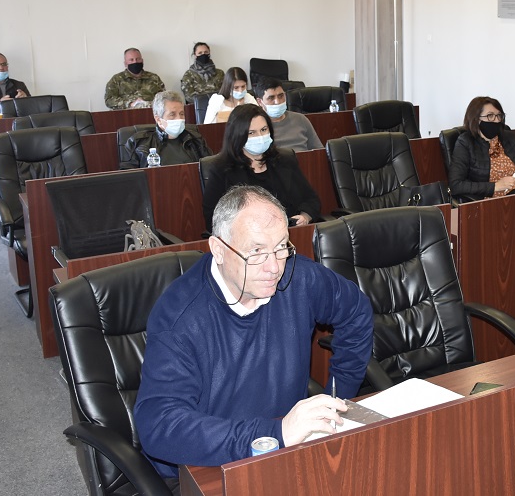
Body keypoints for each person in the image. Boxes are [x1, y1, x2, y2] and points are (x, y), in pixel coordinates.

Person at [134, 185, 373, 482]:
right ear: (219, 250)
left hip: (285, 449)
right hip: (204, 466)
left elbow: (356, 312)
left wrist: (337, 397)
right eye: (257, 252)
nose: (274, 267)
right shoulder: (180, 317)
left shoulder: (298, 277)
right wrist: (274, 434)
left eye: (281, 246)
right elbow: (159, 424)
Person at [202, 104, 320, 228]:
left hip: (290, 232)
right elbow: (213, 219)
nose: (260, 137)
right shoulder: (221, 169)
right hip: (249, 237)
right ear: (238, 136)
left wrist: (305, 217)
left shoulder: (285, 159)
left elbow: (311, 199)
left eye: (264, 130)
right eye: (251, 133)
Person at [447, 96, 515, 201]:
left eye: (499, 116)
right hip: (495, 201)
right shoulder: (465, 142)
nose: (496, 121)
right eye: (490, 116)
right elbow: (456, 185)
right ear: (476, 119)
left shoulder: (508, 137)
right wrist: (495, 186)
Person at [120, 90, 212, 169]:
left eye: (181, 114)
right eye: (172, 114)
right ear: (158, 119)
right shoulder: (138, 143)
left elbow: (210, 170)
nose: (179, 119)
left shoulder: (196, 139)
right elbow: (129, 179)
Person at [256, 77, 322, 152]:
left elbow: (319, 150)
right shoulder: (257, 126)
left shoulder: (300, 119)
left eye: (281, 96)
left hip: (304, 158)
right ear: (260, 102)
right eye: (271, 98)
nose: (277, 102)